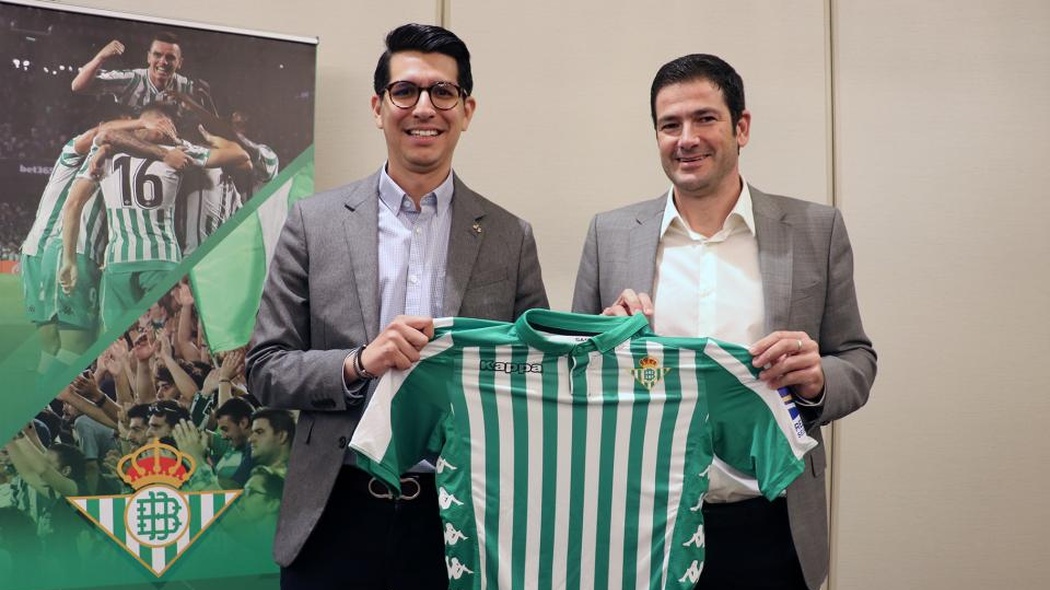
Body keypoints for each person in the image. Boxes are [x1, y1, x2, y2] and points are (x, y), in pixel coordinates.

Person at [246, 22, 548, 590]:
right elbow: (264, 368)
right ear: (378, 107)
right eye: (405, 91)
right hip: (335, 509)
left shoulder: (510, 237)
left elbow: (537, 378)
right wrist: (359, 363)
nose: (423, 108)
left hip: (462, 518)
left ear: (467, 110)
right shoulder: (315, 224)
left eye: (442, 92)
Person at [571, 54, 877, 590]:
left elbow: (856, 357)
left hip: (773, 519)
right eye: (670, 125)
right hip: (642, 524)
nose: (686, 139)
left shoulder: (815, 229)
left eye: (705, 119)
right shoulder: (610, 234)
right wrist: (600, 345)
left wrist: (818, 380)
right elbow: (569, 376)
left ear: (742, 127)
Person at [71, 32, 209, 112]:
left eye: (170, 57)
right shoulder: (131, 79)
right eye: (157, 55)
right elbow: (77, 87)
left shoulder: (189, 87)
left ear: (179, 63)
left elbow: (213, 125)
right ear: (149, 57)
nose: (163, 62)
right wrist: (100, 57)